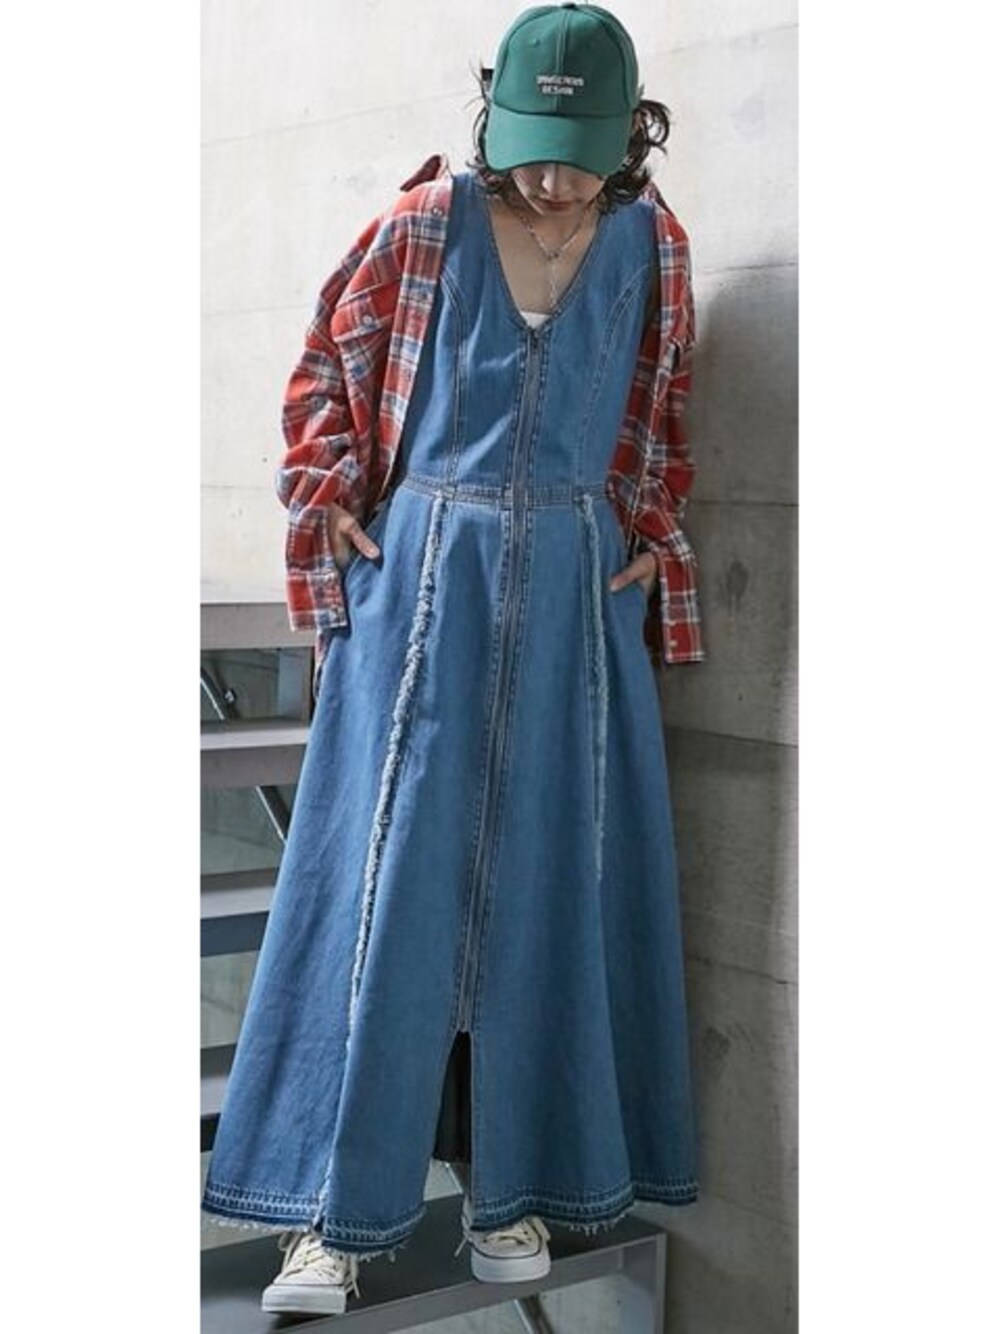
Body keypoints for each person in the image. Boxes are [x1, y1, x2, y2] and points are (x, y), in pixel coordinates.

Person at [201, 3, 706, 1316]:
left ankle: (515, 1190)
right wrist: (329, 495)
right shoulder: (424, 227)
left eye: (580, 156)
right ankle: (332, 1216)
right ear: (495, 119)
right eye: (532, 147)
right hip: (424, 587)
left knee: (548, 886)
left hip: (575, 600)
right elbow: (323, 370)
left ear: (630, 138)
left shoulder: (654, 246)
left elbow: (659, 409)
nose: (553, 180)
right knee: (384, 891)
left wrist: (651, 528)